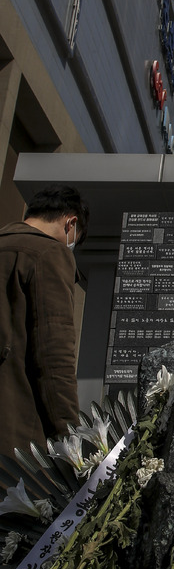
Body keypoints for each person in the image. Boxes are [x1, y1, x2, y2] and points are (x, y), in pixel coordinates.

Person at [0, 185, 89, 456]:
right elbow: (54, 358)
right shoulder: (50, 253)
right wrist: (70, 437)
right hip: (13, 432)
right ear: (70, 223)